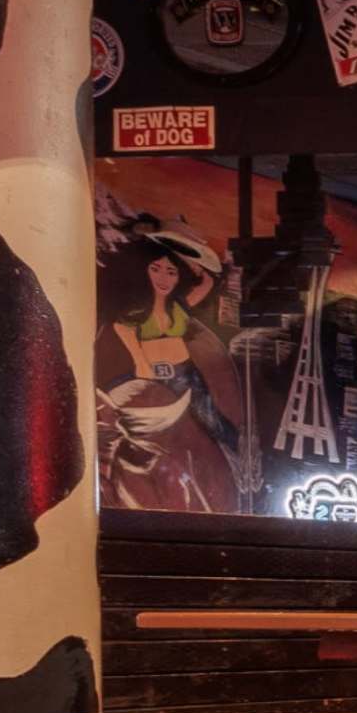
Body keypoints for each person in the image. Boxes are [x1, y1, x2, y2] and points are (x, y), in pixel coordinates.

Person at [96, 219, 254, 511]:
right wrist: (145, 371)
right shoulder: (134, 313)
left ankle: (239, 472)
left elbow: (207, 281)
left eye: (170, 271)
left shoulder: (177, 308)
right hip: (156, 380)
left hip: (186, 374)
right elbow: (130, 344)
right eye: (155, 269)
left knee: (216, 425)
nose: (163, 278)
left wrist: (192, 257)